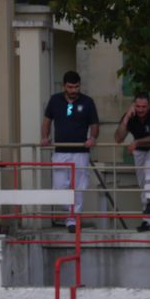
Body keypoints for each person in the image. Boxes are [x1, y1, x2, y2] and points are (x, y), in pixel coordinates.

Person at [42, 71, 100, 231]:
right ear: (64, 86)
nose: (74, 90)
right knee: (59, 186)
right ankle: (70, 213)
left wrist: (93, 138)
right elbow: (47, 121)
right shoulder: (55, 100)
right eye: (70, 87)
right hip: (60, 150)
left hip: (81, 151)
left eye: (76, 87)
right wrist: (45, 137)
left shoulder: (88, 102)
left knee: (78, 186)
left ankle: (73, 220)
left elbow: (94, 124)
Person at [115, 93, 150, 232]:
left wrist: (136, 142)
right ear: (134, 105)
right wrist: (126, 118)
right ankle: (148, 222)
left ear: (149, 106)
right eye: (138, 106)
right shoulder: (130, 114)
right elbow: (118, 138)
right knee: (143, 183)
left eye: (144, 107)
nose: (140, 110)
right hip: (139, 148)